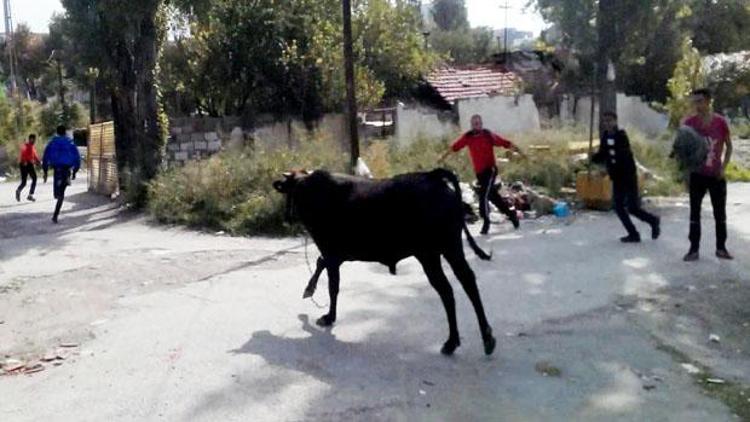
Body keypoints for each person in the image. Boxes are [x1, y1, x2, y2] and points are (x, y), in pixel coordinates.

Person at [439, 114, 525, 235]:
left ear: (481, 124)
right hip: (479, 173)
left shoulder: (488, 135)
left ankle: (486, 222)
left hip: (490, 170)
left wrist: (520, 151)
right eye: (474, 124)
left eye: (478, 123)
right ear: (472, 125)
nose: (477, 126)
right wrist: (442, 157)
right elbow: (454, 147)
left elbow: (505, 143)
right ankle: (512, 215)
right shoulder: (468, 137)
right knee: (493, 197)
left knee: (483, 196)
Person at [681, 88, 734, 262]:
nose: (697, 105)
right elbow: (684, 151)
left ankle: (721, 248)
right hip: (697, 174)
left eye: (700, 101)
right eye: (694, 101)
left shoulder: (720, 122)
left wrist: (723, 167)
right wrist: (686, 173)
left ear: (708, 101)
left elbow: (729, 146)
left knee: (720, 214)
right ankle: (693, 249)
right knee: (694, 213)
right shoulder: (689, 123)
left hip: (715, 175)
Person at [592, 111, 660, 243]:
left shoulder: (621, 135)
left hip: (628, 176)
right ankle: (633, 234)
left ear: (615, 121)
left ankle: (653, 221)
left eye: (610, 121)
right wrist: (593, 158)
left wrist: (609, 169)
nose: (607, 123)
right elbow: (603, 154)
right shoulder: (605, 136)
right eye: (605, 121)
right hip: (617, 178)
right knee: (618, 207)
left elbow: (622, 156)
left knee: (632, 208)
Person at [42, 125, 81, 224]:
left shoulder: (52, 143)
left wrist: (45, 171)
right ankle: (55, 214)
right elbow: (77, 158)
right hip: (66, 169)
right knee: (61, 194)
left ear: (57, 132)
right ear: (65, 132)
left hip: (56, 169)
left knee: (58, 193)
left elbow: (45, 157)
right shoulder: (70, 143)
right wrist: (75, 171)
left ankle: (55, 213)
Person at [15, 134, 41, 202]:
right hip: (27, 164)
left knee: (24, 182)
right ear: (30, 139)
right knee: (34, 178)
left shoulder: (30, 146)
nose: (34, 141)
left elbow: (34, 155)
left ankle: (18, 190)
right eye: (33, 139)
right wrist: (25, 161)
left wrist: (38, 161)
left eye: (34, 139)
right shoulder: (27, 146)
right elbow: (24, 153)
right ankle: (30, 195)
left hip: (23, 164)